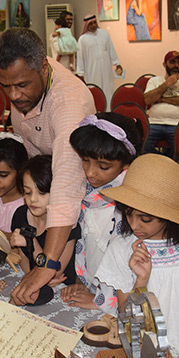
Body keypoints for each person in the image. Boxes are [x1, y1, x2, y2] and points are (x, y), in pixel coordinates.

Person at [0, 28, 95, 305]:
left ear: (44, 69)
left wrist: (48, 263)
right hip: (49, 186)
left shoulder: (67, 103)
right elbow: (33, 157)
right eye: (5, 86)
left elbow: (67, 184)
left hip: (81, 192)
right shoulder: (23, 88)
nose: (14, 95)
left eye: (22, 85)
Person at [96, 154, 179, 358]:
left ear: (169, 216)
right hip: (151, 349)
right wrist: (141, 281)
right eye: (128, 214)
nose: (134, 225)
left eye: (145, 219)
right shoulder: (121, 248)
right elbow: (124, 313)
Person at [61, 113, 143, 314]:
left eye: (103, 166)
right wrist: (83, 283)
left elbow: (129, 268)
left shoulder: (134, 208)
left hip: (121, 299)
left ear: (126, 164)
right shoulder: (84, 192)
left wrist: (103, 300)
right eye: (85, 160)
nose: (90, 172)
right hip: (91, 287)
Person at [10, 155, 80, 287]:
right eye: (27, 192)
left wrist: (31, 242)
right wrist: (35, 278)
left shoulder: (67, 224)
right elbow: (23, 260)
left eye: (41, 193)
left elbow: (55, 272)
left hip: (63, 289)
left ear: (57, 192)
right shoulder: (21, 215)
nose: (33, 199)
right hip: (36, 282)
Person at [143, 50, 179, 159]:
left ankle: (165, 164)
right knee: (142, 147)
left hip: (177, 124)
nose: (176, 65)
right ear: (164, 64)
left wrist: (162, 99)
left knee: (178, 151)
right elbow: (148, 99)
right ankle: (163, 161)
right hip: (154, 123)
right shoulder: (154, 81)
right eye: (172, 62)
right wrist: (166, 84)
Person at [76, 14, 123, 104]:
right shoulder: (82, 39)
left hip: (106, 69)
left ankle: (108, 109)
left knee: (108, 89)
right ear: (86, 25)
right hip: (92, 71)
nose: (93, 25)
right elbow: (80, 57)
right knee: (95, 90)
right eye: (90, 24)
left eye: (94, 22)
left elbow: (111, 48)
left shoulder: (104, 34)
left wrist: (117, 63)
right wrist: (80, 73)